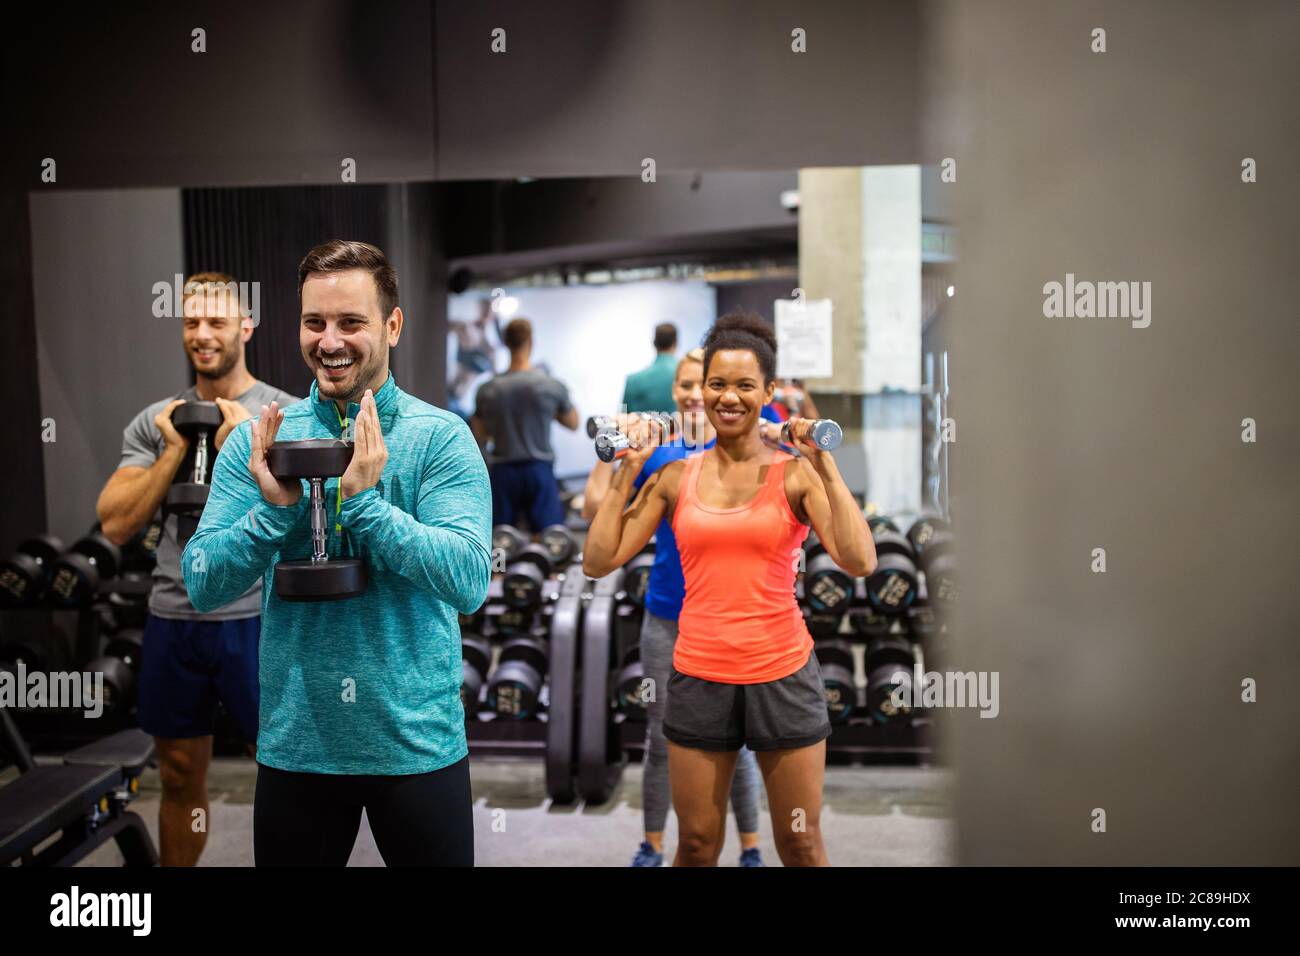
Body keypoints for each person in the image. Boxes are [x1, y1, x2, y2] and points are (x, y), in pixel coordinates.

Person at [181, 240, 492, 866]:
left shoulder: (439, 437)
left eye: (351, 322)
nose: (330, 341)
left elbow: (468, 579)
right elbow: (204, 581)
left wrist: (366, 507)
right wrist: (274, 514)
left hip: (414, 744)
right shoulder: (258, 441)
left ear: (393, 325)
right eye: (314, 322)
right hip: (300, 744)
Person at [583, 312, 874, 866]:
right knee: (694, 844)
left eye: (745, 385)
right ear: (702, 390)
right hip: (698, 677)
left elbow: (859, 560)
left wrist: (827, 466)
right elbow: (598, 559)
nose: (729, 397)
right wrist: (627, 471)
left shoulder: (795, 474)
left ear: (767, 392)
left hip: (782, 675)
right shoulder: (675, 476)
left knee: (801, 843)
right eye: (717, 383)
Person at [96, 272, 301, 867]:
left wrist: (244, 449)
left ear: (246, 326)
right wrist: (172, 453)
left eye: (217, 321)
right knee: (180, 771)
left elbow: (302, 520)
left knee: (283, 768)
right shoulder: (158, 421)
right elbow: (115, 523)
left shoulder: (282, 413)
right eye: (192, 322)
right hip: (174, 617)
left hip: (257, 618)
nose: (203, 334)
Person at [583, 349, 780, 867]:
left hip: (734, 619)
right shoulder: (662, 451)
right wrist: (615, 453)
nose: (696, 394)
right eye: (687, 385)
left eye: (704, 384)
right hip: (669, 614)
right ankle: (651, 843)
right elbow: (593, 510)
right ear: (675, 392)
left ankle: (752, 848)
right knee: (661, 736)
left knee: (735, 742)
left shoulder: (742, 442)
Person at [470, 317, 579, 532]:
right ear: (531, 342)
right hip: (539, 471)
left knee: (500, 542)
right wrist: (548, 411)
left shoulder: (487, 389)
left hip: (503, 472)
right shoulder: (550, 385)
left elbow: (480, 435)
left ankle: (500, 567)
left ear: (506, 343)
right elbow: (573, 422)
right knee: (550, 540)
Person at [621, 323, 678, 414]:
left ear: (654, 343)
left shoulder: (633, 381)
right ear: (675, 344)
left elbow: (622, 419)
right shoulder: (689, 377)